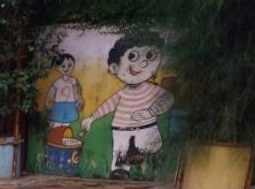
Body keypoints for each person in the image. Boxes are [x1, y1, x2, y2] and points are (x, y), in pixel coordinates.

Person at [82, 31, 175, 178]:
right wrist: (92, 118)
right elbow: (108, 105)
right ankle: (120, 173)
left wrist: (151, 112)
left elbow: (168, 99)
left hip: (146, 127)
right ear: (114, 68)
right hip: (121, 129)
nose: (143, 63)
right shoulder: (122, 94)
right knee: (120, 153)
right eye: (133, 56)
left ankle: (144, 163)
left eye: (150, 56)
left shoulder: (153, 90)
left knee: (152, 145)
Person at [44, 53, 84, 128]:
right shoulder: (58, 82)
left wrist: (79, 99)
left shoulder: (73, 81)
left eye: (69, 65)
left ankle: (62, 138)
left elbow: (77, 91)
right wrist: (48, 101)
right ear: (57, 67)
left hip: (71, 105)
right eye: (63, 66)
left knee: (66, 125)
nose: (66, 68)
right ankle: (54, 138)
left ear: (73, 65)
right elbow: (51, 92)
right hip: (59, 105)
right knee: (57, 123)